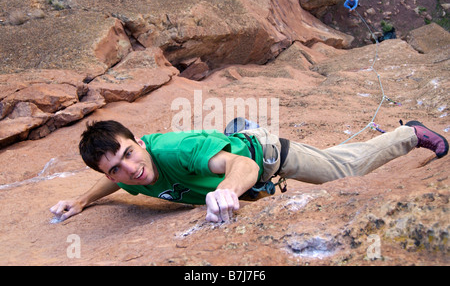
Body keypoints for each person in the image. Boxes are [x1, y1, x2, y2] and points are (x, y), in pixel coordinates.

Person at [50, 119, 448, 223]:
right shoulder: (126, 177)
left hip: (266, 155)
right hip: (235, 155)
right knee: (333, 157)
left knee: (346, 169)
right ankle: (233, 132)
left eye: (129, 153)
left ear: (139, 142)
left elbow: (244, 165)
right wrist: (81, 200)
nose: (130, 170)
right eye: (116, 168)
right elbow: (111, 183)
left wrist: (227, 190)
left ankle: (409, 134)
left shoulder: (175, 150)